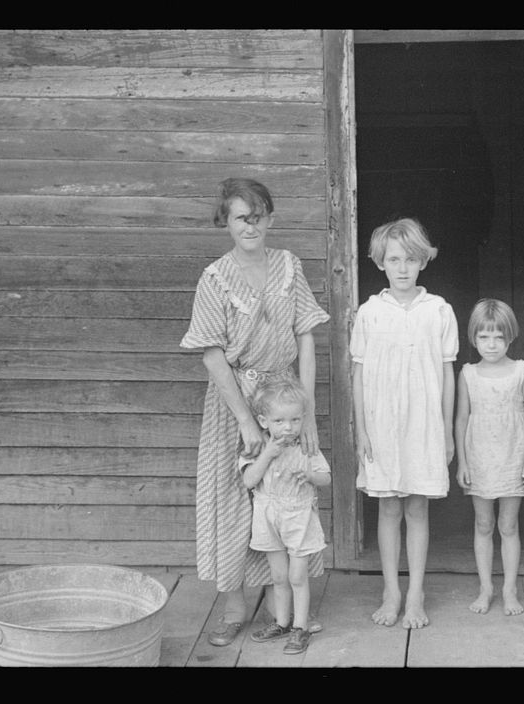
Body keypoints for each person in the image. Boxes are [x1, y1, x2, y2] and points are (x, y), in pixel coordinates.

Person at [180, 177, 329, 647]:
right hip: (235, 404)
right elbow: (210, 353)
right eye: (242, 217)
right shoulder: (215, 278)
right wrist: (246, 420)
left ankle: (279, 603)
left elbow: (305, 334)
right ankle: (233, 604)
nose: (251, 225)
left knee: (284, 491)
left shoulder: (288, 266)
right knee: (235, 496)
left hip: (284, 397)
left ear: (270, 218)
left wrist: (304, 414)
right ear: (225, 221)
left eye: (259, 216)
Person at [350, 217, 458, 629]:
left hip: (424, 423)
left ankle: (416, 593)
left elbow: (447, 373)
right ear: (380, 262)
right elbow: (359, 375)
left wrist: (446, 430)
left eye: (410, 259)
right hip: (383, 424)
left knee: (417, 508)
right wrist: (362, 430)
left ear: (423, 263)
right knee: (388, 507)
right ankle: (390, 590)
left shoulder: (439, 310)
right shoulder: (370, 312)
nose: (402, 268)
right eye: (394, 259)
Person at [238, 377, 330, 655]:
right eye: (279, 421)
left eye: (294, 420)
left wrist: (311, 475)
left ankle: (300, 628)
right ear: (264, 421)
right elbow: (249, 480)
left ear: (302, 419)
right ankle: (281, 621)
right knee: (278, 576)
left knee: (297, 576)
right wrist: (267, 454)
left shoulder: (306, 447)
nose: (287, 427)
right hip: (268, 518)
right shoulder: (257, 447)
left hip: (298, 518)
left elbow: (325, 478)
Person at [455, 299, 524, 616]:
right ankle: (486, 587)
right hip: (479, 457)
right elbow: (461, 418)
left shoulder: (522, 371)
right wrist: (462, 460)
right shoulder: (468, 374)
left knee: (509, 525)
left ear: (509, 337)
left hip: (513, 455)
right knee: (484, 523)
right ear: (474, 338)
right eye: (484, 337)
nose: (491, 344)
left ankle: (509, 589)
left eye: (498, 337)